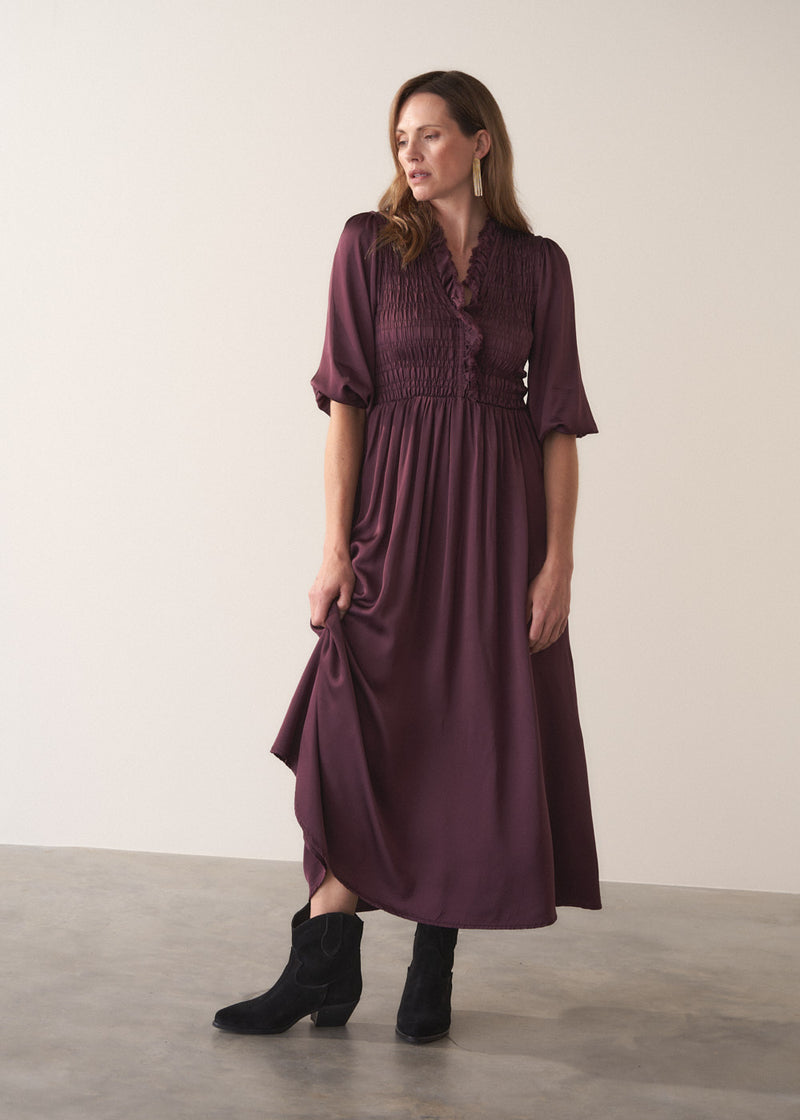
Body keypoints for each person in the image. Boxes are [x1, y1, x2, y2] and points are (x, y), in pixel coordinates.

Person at [214, 69, 601, 1044]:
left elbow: (556, 423)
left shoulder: (538, 265)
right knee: (358, 724)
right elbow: (346, 401)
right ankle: (323, 957)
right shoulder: (368, 247)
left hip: (497, 527)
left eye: (429, 136)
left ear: (479, 143)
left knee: (469, 733)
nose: (410, 156)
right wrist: (334, 549)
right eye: (399, 140)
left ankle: (430, 971)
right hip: (395, 518)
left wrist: (557, 563)